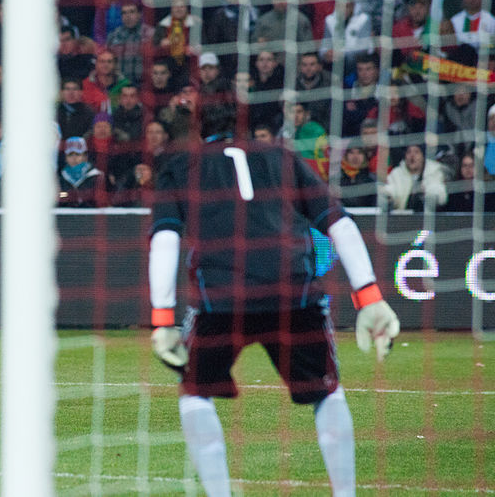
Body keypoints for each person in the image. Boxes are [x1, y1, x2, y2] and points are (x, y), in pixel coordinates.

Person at [147, 135, 400, 496]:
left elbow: (165, 240)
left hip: (220, 297)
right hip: (292, 292)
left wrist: (161, 319)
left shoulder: (181, 166)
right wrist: (370, 296)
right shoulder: (282, 156)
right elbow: (338, 222)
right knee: (326, 392)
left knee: (194, 391)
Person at [383, 143, 448, 211]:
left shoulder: (434, 171)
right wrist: (388, 195)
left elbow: (439, 193)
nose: (412, 156)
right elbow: (391, 190)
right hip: (401, 217)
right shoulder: (396, 173)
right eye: (409, 152)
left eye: (416, 152)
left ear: (423, 157)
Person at [57, 136, 107, 208]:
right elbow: (59, 194)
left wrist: (79, 195)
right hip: (67, 215)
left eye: (77, 154)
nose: (74, 158)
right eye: (70, 154)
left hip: (90, 215)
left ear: (85, 156)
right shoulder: (61, 176)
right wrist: (68, 195)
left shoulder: (97, 175)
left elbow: (98, 196)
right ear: (65, 157)